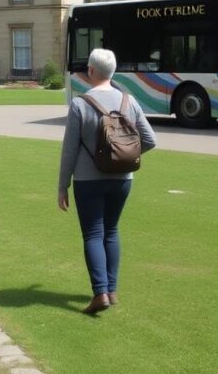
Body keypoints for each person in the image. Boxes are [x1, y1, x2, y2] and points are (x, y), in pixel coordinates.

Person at [58, 48, 156, 315]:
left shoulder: (80, 104)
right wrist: (122, 158)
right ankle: (111, 290)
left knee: (93, 233)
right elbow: (150, 140)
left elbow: (69, 150)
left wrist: (62, 185)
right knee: (111, 231)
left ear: (90, 70)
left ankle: (99, 291)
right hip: (123, 179)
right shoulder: (129, 100)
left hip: (88, 179)